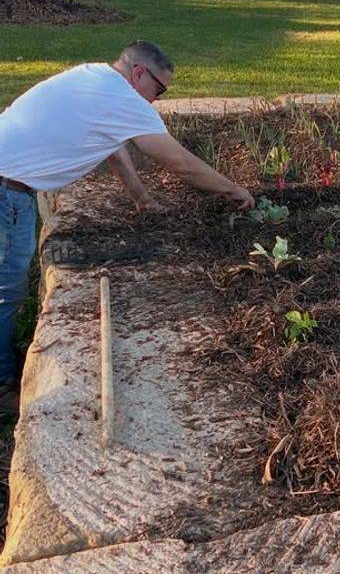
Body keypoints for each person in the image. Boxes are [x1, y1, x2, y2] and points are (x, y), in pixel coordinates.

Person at [0, 40, 255, 412]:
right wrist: (233, 189)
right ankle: (2, 385)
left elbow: (113, 147)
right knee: (6, 291)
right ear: (139, 74)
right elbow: (180, 163)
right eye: (159, 90)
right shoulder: (123, 98)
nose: (156, 101)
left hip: (8, 181)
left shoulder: (94, 77)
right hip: (8, 192)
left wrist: (140, 197)